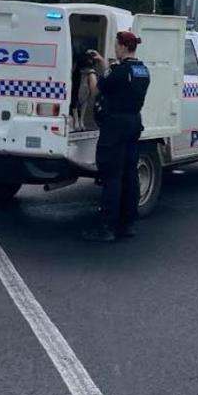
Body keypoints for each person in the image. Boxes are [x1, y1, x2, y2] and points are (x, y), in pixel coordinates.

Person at [82, 31, 150, 242]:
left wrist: (91, 70)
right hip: (133, 123)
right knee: (130, 175)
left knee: (111, 176)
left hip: (114, 127)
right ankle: (127, 223)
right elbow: (115, 79)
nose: (115, 49)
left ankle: (106, 227)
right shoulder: (142, 70)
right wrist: (104, 64)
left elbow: (96, 90)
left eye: (116, 45)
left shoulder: (118, 70)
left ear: (122, 46)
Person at [71, 50, 99, 132]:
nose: (88, 70)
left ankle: (81, 121)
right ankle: (76, 122)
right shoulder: (75, 79)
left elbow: (85, 101)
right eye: (86, 67)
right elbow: (74, 101)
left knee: (85, 101)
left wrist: (81, 121)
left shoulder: (90, 77)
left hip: (82, 97)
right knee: (75, 101)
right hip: (72, 109)